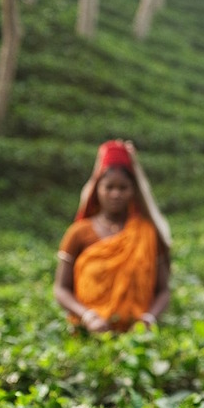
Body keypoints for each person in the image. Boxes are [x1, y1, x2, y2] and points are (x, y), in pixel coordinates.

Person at [53, 140, 172, 333]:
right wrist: (87, 316)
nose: (115, 194)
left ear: (133, 191)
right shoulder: (78, 233)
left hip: (137, 337)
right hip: (87, 333)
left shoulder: (147, 233)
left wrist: (148, 319)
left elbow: (164, 290)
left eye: (123, 188)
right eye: (109, 187)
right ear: (97, 189)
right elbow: (61, 289)